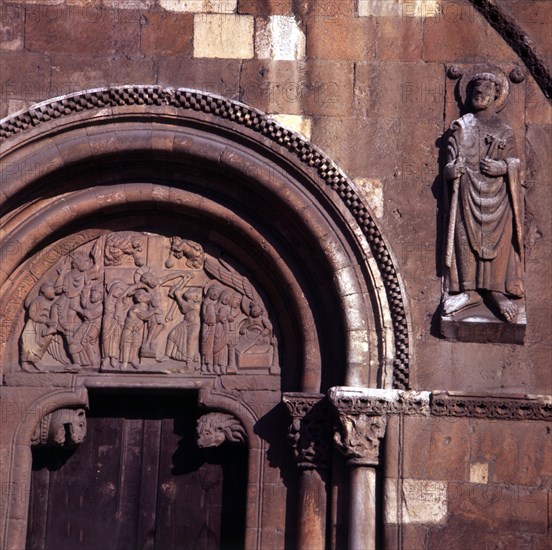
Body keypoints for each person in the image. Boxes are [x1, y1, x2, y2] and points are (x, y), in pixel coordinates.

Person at [442, 72, 524, 322]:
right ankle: (469, 292)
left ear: (496, 96)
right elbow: (449, 160)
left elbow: (515, 162)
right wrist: (451, 170)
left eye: (487, 89)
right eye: (476, 89)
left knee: (499, 241)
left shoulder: (505, 131)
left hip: (498, 199)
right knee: (465, 237)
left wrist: (502, 168)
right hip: (467, 195)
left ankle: (497, 292)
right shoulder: (462, 126)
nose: (480, 93)